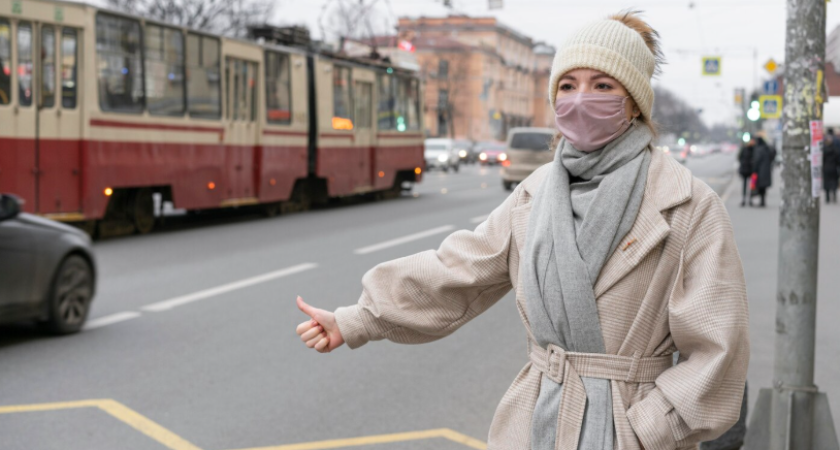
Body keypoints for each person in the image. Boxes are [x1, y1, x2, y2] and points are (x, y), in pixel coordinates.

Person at [296, 12, 749, 450]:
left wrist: (645, 429)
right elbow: (458, 271)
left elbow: (719, 350)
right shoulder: (535, 194)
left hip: (632, 430)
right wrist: (358, 318)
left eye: (602, 86)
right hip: (535, 424)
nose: (579, 99)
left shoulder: (687, 203)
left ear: (632, 101)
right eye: (568, 86)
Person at [751, 136, 776, 207]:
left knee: (759, 186)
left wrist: (754, 170)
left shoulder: (759, 149)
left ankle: (761, 202)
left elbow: (757, 160)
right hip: (767, 170)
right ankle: (763, 201)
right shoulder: (767, 148)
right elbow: (773, 155)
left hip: (760, 171)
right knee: (764, 187)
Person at [737, 138, 755, 207]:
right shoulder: (744, 149)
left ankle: (750, 199)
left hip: (752, 171)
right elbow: (739, 157)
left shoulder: (753, 149)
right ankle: (744, 199)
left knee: (752, 185)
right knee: (744, 185)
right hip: (745, 170)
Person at [824, 128, 839, 204]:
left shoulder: (824, 149)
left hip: (826, 168)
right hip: (834, 168)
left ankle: (827, 198)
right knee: (834, 182)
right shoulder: (835, 149)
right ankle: (834, 195)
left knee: (826, 183)